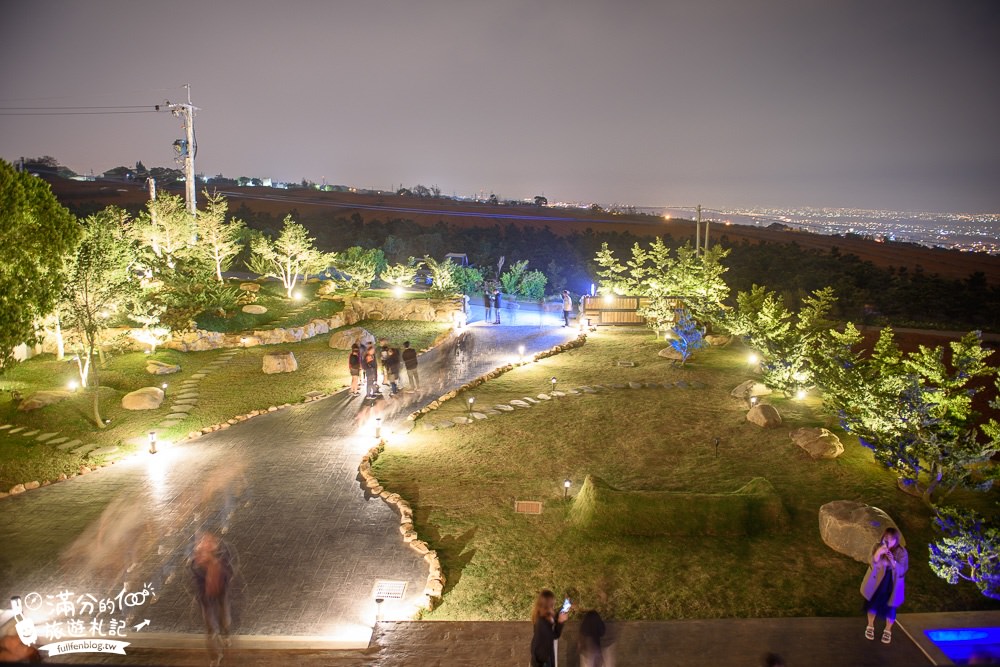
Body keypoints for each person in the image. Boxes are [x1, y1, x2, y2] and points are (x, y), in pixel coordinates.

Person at [190, 532, 233, 667]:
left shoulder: (223, 556)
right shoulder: (195, 565)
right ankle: (215, 657)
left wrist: (217, 569)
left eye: (209, 543)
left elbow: (230, 571)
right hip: (205, 598)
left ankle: (225, 634)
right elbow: (194, 584)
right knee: (210, 627)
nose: (201, 554)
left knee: (224, 616)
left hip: (221, 591)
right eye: (201, 545)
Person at [861, 527, 908, 644]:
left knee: (891, 608)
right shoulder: (877, 546)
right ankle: (870, 625)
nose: (888, 541)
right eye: (886, 538)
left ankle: (888, 630)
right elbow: (871, 561)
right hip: (876, 582)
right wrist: (878, 554)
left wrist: (893, 562)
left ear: (896, 540)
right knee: (872, 604)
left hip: (892, 584)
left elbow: (902, 570)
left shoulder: (901, 552)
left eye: (891, 539)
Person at [530, 589, 568, 667]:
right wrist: (560, 622)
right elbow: (555, 635)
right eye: (552, 602)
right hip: (541, 656)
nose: (554, 603)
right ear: (548, 604)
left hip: (544, 651)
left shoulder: (543, 613)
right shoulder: (541, 621)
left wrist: (563, 608)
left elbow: (554, 618)